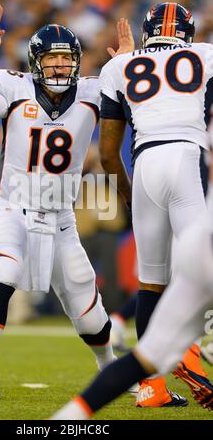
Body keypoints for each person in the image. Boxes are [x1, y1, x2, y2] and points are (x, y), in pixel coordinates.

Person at [0, 5, 135, 400]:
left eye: (66, 58)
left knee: (90, 312)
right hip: (14, 209)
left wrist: (128, 62)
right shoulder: (13, 85)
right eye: (51, 58)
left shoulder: (94, 91)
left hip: (61, 220)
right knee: (5, 275)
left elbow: (140, 97)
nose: (59, 66)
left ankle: (110, 374)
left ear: (76, 62)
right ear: (35, 61)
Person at [50, 88, 213, 423]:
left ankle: (65, 421)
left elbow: (110, 154)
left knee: (147, 345)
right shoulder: (200, 70)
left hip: (198, 239)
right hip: (188, 194)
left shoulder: (134, 77)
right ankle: (194, 353)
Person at [90, 1, 213, 408]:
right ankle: (194, 357)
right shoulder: (206, 54)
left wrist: (127, 193)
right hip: (186, 157)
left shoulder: (117, 67)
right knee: (200, 269)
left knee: (151, 283)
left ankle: (151, 389)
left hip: (144, 166)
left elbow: (108, 153)